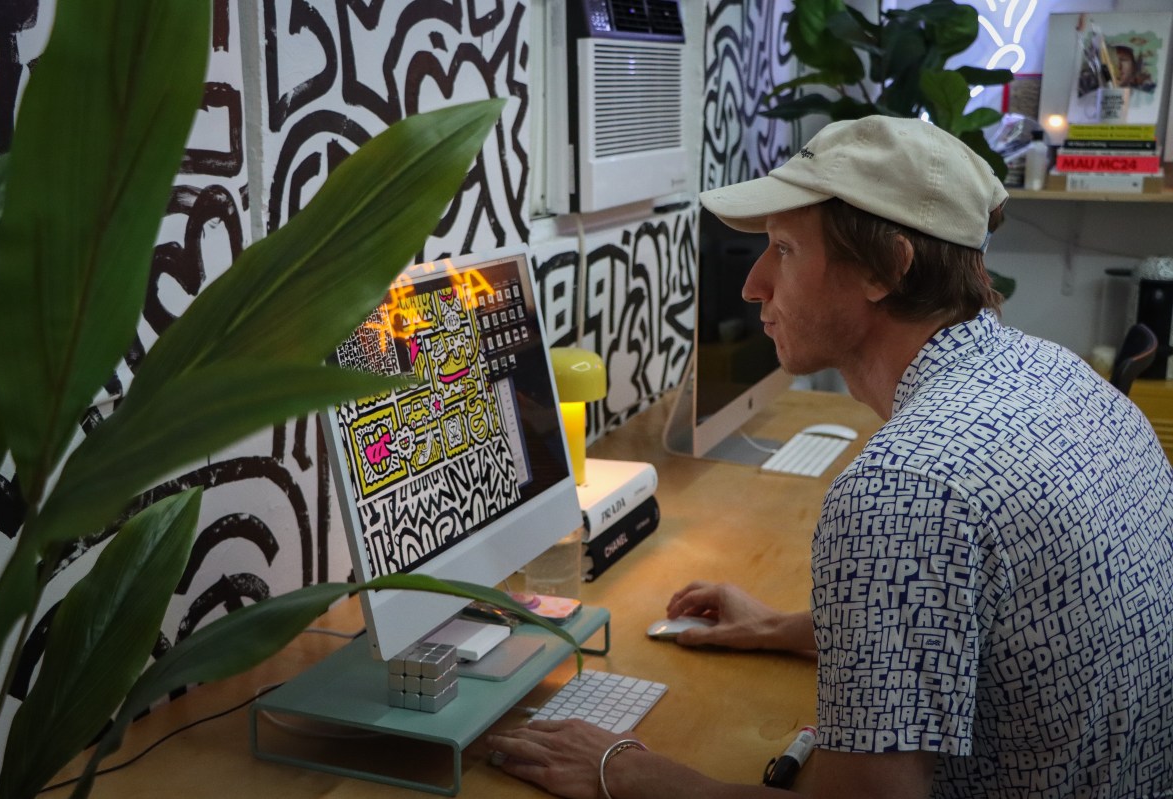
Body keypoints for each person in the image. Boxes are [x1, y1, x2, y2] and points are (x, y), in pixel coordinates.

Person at [487, 115, 1173, 798]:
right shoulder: (1061, 375)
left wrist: (626, 770)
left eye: (782, 248)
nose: (755, 284)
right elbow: (996, 631)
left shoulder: (903, 489)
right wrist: (790, 628)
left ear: (886, 268)